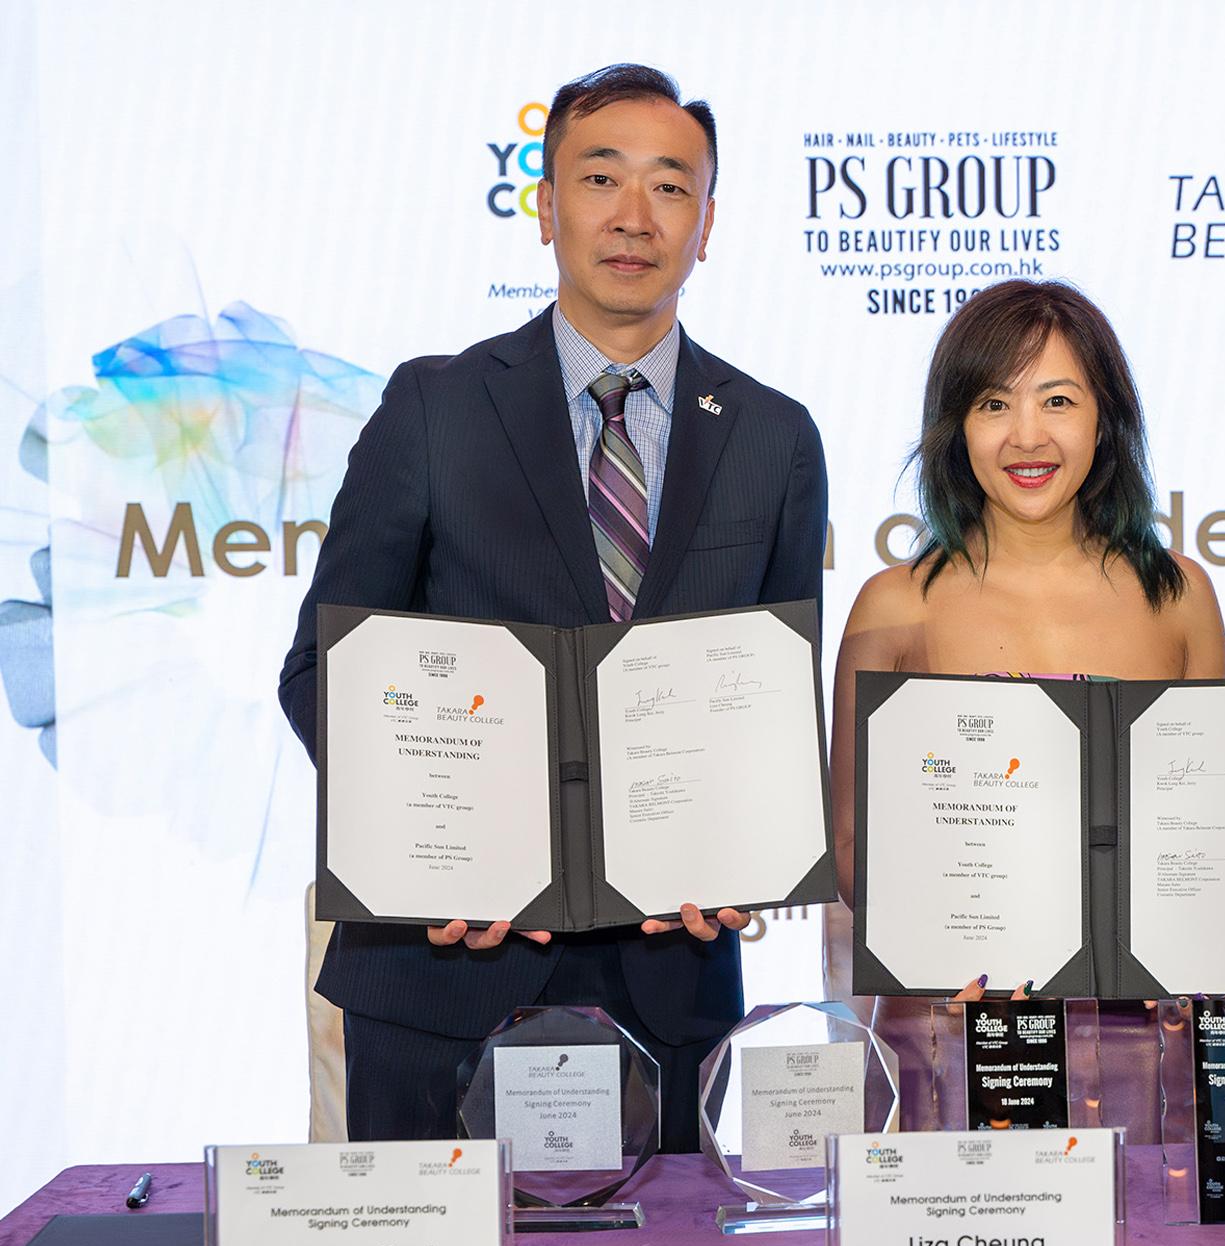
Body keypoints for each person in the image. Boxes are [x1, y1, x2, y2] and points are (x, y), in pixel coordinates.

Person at [278, 64, 828, 1149]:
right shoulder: (433, 406)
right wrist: (425, 854)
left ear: (708, 225)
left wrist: (744, 851)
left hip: (667, 988)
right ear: (544, 206)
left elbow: (767, 710)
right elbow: (320, 676)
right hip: (440, 976)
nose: (634, 216)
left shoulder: (774, 438)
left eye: (670, 186)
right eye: (600, 177)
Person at [825, 279, 1225, 1130]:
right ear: (955, 427)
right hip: (954, 1020)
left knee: (1143, 1219)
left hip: (1136, 1032)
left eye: (1058, 400)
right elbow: (851, 848)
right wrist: (955, 930)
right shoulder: (894, 604)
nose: (1028, 436)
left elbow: (1204, 833)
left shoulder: (1180, 596)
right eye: (994, 404)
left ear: (1105, 418)